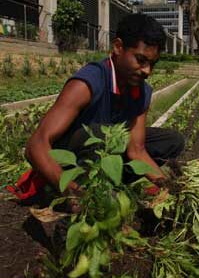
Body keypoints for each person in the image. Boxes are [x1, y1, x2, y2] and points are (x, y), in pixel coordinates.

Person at [25, 14, 184, 200]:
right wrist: (70, 191)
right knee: (102, 135)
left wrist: (168, 187)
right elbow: (36, 145)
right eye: (141, 60)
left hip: (103, 158)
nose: (147, 71)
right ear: (118, 47)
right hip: (70, 165)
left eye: (152, 64)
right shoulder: (88, 83)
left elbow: (137, 150)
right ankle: (80, 194)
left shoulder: (142, 92)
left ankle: (110, 185)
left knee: (171, 140)